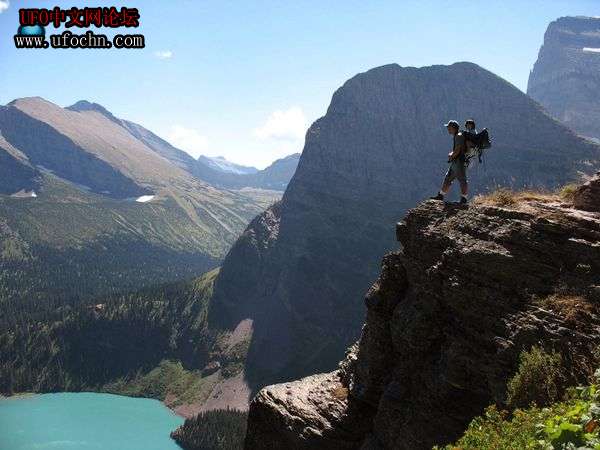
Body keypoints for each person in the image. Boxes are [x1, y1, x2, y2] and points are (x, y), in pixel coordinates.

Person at [430, 120, 469, 204]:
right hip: (456, 162)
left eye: (449, 127)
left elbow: (458, 149)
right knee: (448, 178)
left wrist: (452, 155)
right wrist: (452, 154)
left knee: (462, 179)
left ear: (453, 128)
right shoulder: (457, 136)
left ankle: (464, 199)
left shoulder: (458, 136)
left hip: (459, 162)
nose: (448, 129)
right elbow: (458, 149)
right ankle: (440, 195)